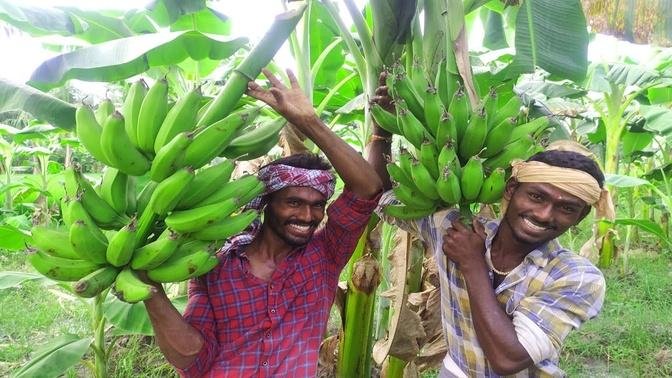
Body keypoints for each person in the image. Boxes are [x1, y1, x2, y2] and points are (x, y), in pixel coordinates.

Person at [368, 73, 612, 377]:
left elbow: (508, 360)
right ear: (510, 191)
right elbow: (377, 195)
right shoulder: (452, 228)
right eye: (537, 196)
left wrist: (472, 263)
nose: (545, 214)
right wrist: (382, 133)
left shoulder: (577, 277)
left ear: (581, 217)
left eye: (567, 208)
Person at [142, 68, 383, 377]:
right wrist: (150, 289)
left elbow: (368, 190)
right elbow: (192, 359)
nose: (307, 217)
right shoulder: (215, 265)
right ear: (267, 203)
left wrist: (307, 121)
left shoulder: (324, 256)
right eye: (294, 203)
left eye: (317, 206)